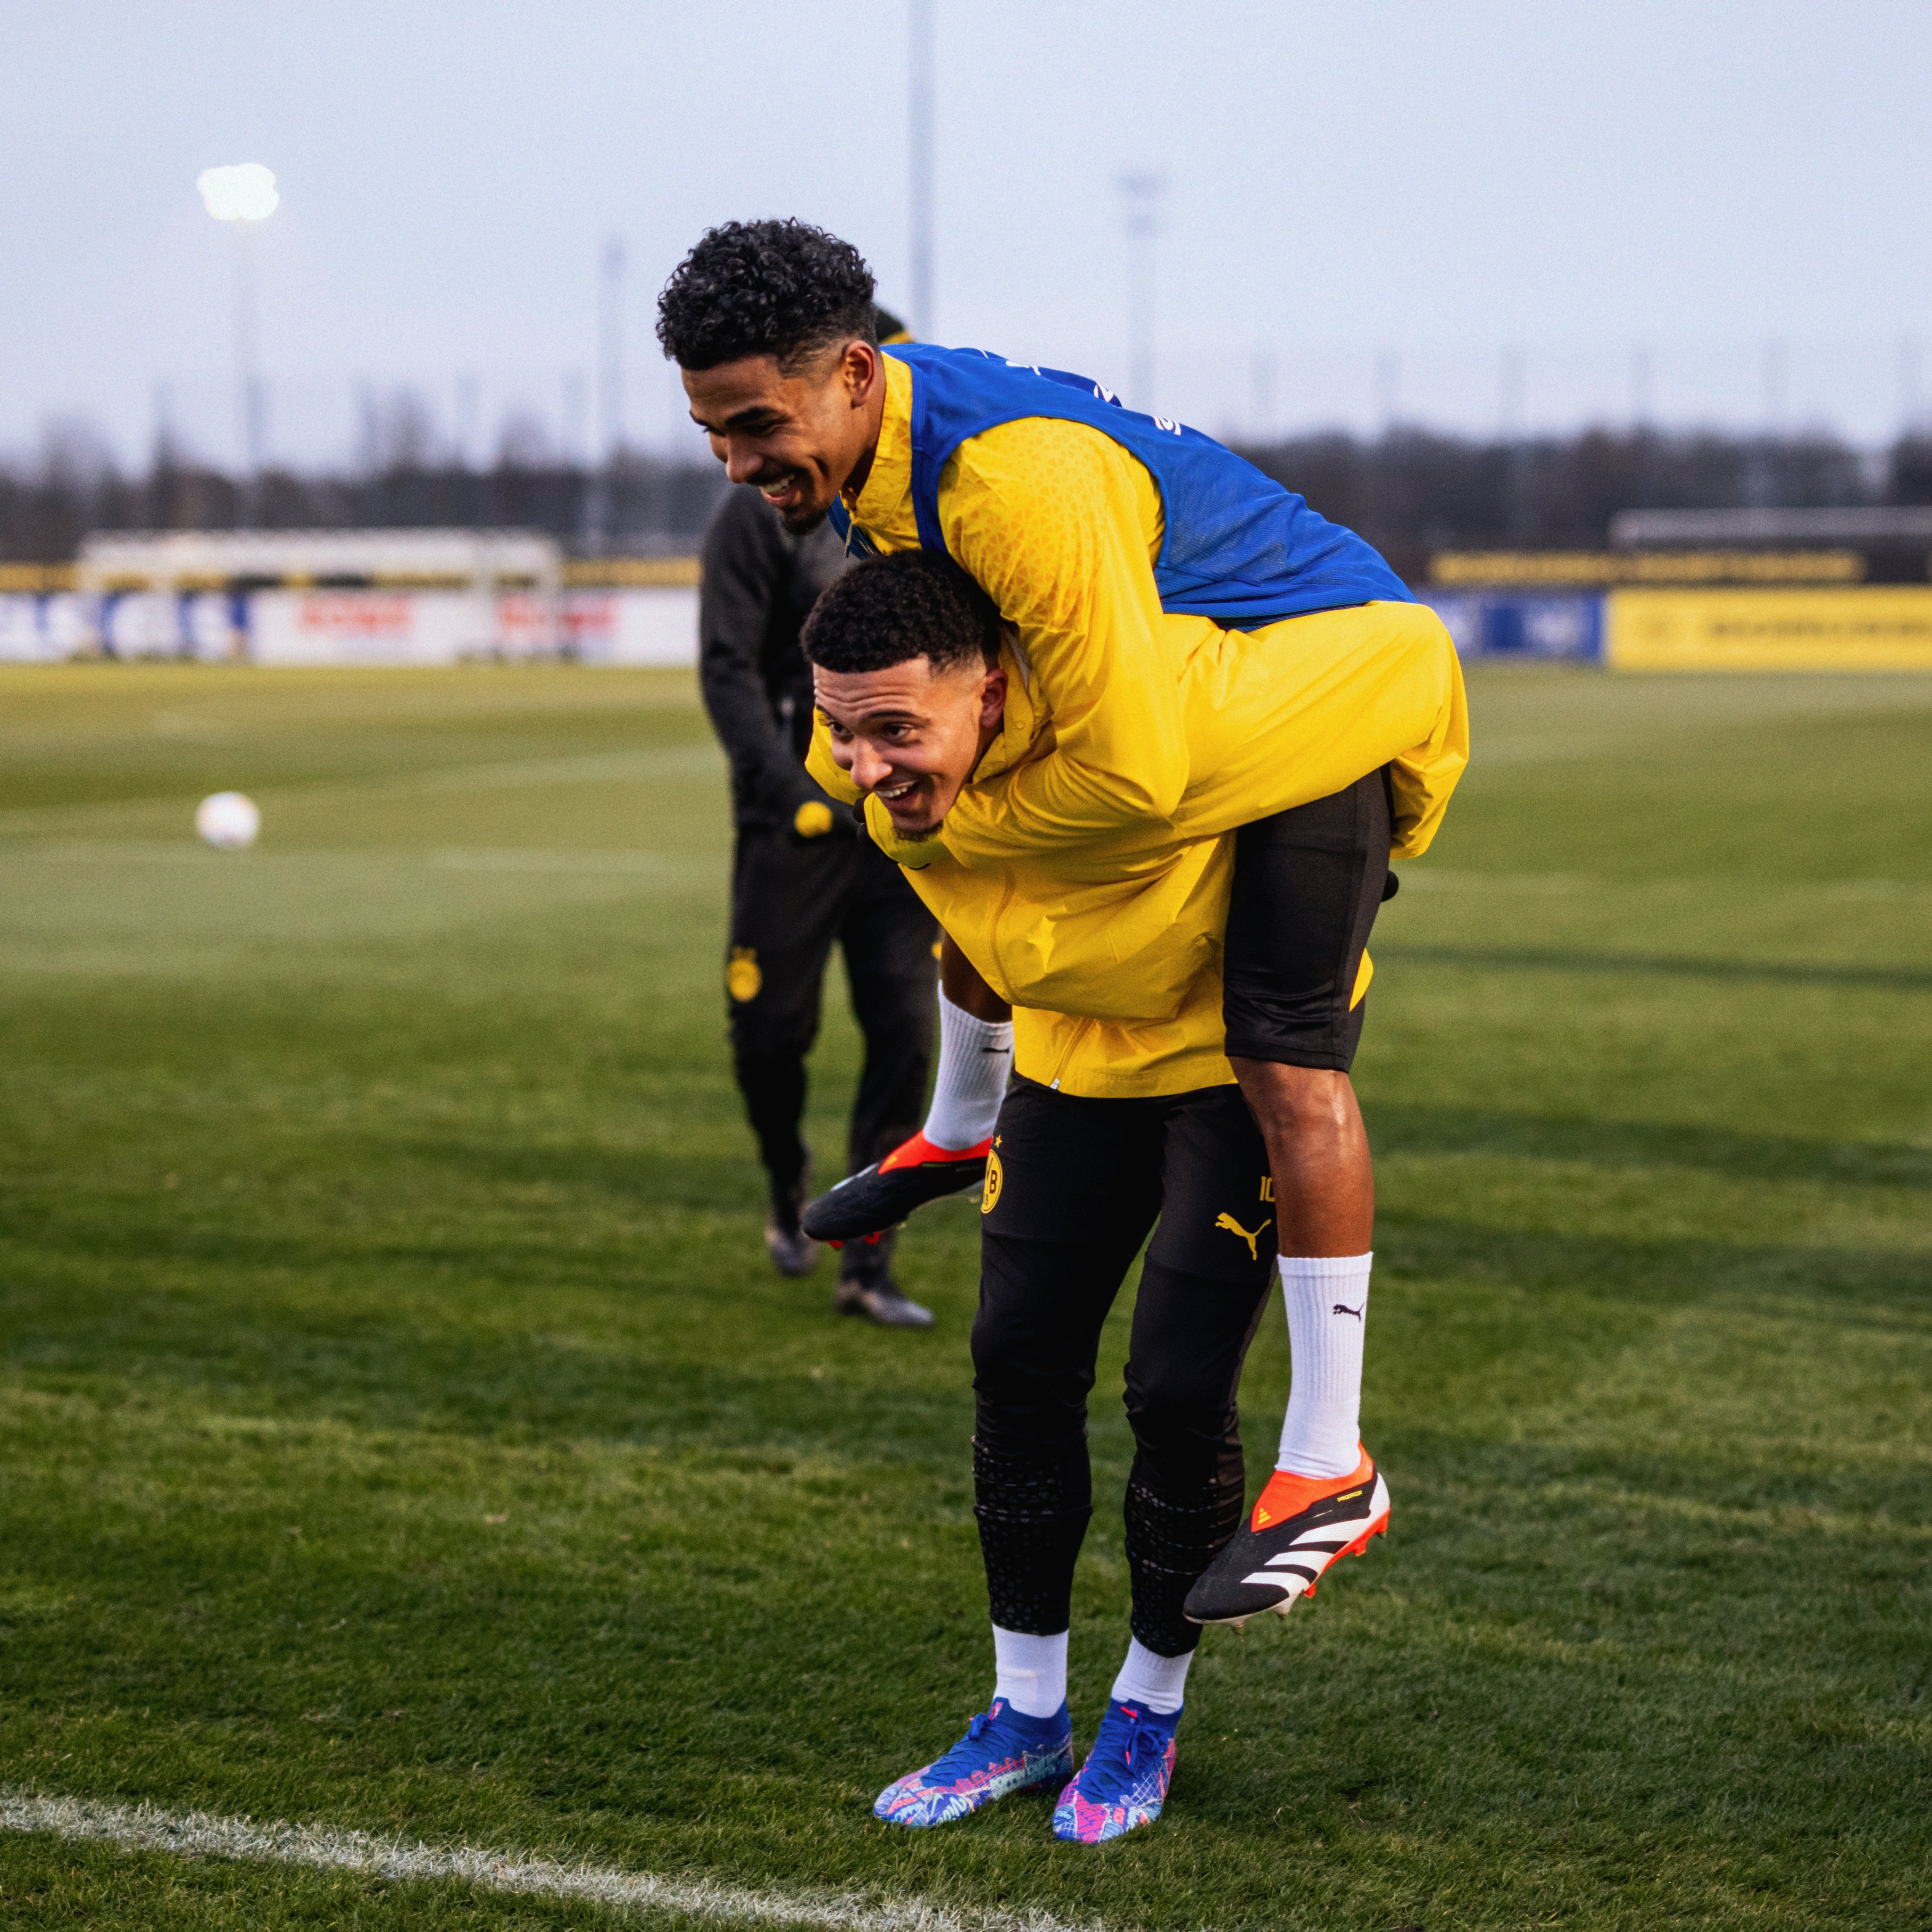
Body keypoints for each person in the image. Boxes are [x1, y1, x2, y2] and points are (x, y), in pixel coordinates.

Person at [656, 219, 1467, 1843]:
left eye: (756, 423)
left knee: (1181, 1369)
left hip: (1338, 689)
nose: (738, 461)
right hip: (1088, 1046)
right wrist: (916, 826)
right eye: (712, 431)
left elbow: (1142, 777)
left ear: (853, 374)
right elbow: (970, 938)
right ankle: (1026, 1707)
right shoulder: (890, 508)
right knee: (1014, 1362)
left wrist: (937, 814)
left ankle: (1193, 1649)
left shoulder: (1015, 491)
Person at [696, 307, 955, 1331]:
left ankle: (865, 1258)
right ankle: (781, 1177)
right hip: (791, 833)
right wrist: (796, 791)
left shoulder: (929, 512)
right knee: (768, 1035)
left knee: (903, 1032)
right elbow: (725, 669)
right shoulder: (757, 518)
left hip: (904, 837)